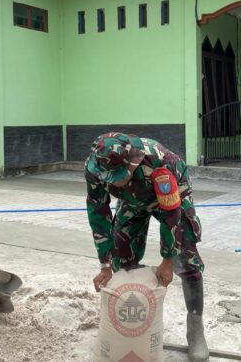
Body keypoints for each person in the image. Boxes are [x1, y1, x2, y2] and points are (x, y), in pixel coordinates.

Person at [85, 132, 208, 362]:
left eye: (119, 176)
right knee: (123, 253)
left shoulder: (160, 166)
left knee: (187, 258)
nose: (114, 182)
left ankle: (196, 330)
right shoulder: (95, 167)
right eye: (110, 178)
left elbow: (172, 216)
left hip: (173, 196)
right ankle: (133, 323)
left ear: (131, 162)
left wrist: (168, 261)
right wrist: (105, 264)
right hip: (132, 201)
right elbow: (98, 213)